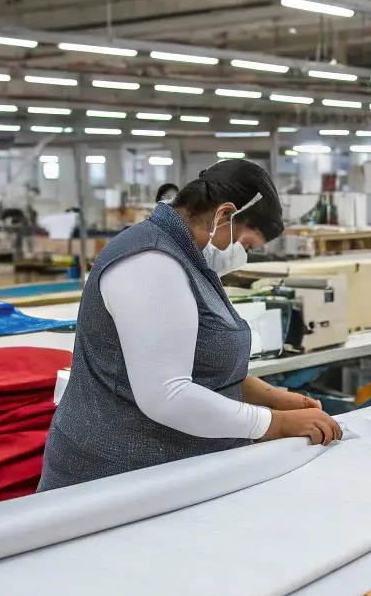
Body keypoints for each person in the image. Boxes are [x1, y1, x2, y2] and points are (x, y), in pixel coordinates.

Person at [40, 163, 340, 490]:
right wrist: (274, 423)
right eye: (246, 246)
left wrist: (275, 398)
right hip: (113, 480)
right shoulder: (150, 262)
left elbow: (200, 365)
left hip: (165, 471)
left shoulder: (184, 256)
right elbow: (167, 395)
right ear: (224, 215)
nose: (241, 256)